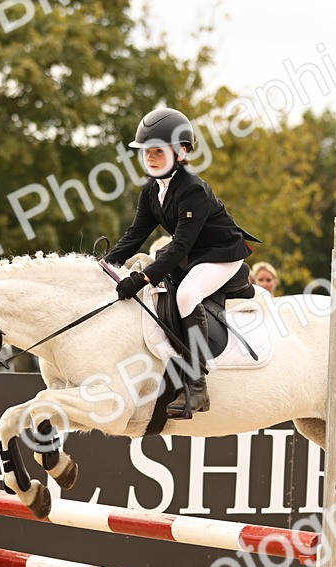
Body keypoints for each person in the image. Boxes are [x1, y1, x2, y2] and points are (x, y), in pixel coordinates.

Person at [105, 108, 260, 419]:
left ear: (181, 151)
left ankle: (197, 383)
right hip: (192, 255)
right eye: (146, 152)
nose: (150, 157)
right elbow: (135, 235)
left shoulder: (192, 189)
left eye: (158, 151)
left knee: (186, 295)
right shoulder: (151, 190)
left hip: (221, 254)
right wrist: (106, 264)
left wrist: (142, 278)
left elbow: (178, 246)